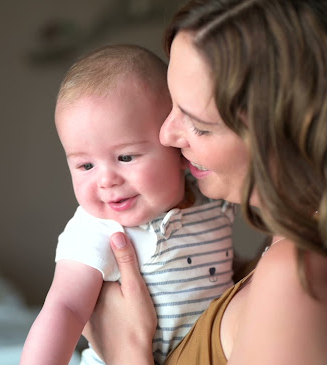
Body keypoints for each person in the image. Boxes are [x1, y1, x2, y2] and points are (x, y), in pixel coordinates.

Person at [81, 0, 327, 364]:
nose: (167, 135)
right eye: (172, 106)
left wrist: (125, 352)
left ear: (291, 132)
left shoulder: (302, 280)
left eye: (199, 125)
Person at [20, 44, 236, 365]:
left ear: (176, 148)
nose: (106, 180)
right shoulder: (98, 229)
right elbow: (65, 308)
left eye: (125, 157)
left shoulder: (208, 200)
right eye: (85, 166)